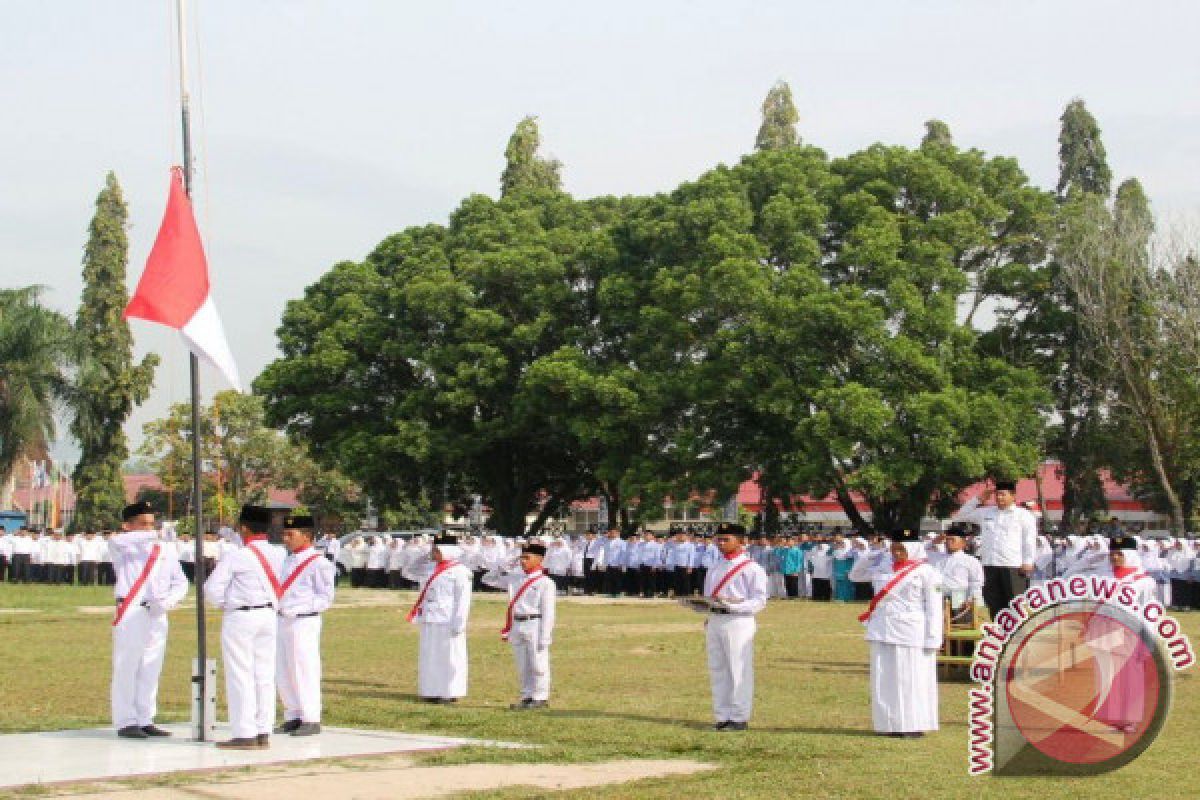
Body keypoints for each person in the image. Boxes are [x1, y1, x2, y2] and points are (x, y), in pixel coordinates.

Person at [205, 505, 286, 750]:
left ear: (243, 528)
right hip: (269, 614)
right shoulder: (279, 553)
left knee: (240, 673)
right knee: (264, 674)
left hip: (242, 616)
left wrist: (227, 604)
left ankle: (244, 732)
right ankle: (263, 729)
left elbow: (212, 589)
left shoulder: (237, 555)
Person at [850, 530, 942, 738]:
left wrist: (933, 638)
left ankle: (912, 724)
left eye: (902, 548)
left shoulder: (927, 572)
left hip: (911, 631)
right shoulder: (884, 567)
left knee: (911, 678)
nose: (897, 553)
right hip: (882, 628)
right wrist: (873, 552)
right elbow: (855, 575)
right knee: (885, 677)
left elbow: (934, 608)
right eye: (894, 548)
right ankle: (888, 723)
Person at [109, 501, 188, 739]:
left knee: (151, 666)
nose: (148, 529)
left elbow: (180, 582)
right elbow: (117, 540)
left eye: (151, 524)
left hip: (156, 611)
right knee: (127, 665)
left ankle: (145, 717)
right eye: (142, 524)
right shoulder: (123, 547)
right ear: (128, 526)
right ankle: (125, 720)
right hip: (132, 609)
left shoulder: (165, 550)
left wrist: (167, 602)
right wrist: (154, 534)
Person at [690, 522, 767, 731]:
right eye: (719, 539)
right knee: (718, 668)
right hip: (716, 619)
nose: (721, 543)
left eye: (726, 539)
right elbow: (709, 595)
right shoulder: (715, 567)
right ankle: (722, 715)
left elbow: (759, 600)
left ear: (741, 541)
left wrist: (735, 604)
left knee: (738, 669)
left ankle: (739, 716)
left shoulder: (752, 568)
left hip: (738, 621)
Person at [273, 514, 335, 736]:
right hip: (282, 619)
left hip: (303, 621)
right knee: (284, 669)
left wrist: (299, 608)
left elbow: (325, 597)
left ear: (307, 536)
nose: (285, 538)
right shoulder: (286, 560)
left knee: (304, 668)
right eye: (284, 533)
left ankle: (311, 717)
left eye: (291, 534)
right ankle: (293, 714)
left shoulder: (319, 563)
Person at [483, 542, 557, 710]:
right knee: (523, 664)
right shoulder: (515, 578)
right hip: (517, 623)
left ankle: (540, 697)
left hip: (535, 623)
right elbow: (487, 579)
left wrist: (545, 636)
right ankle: (526, 696)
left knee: (538, 664)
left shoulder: (545, 583)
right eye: (522, 557)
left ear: (539, 559)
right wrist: (505, 563)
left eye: (527, 557)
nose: (523, 561)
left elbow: (548, 612)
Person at [404, 533, 473, 704]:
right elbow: (409, 571)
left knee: (450, 657)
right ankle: (431, 690)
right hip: (430, 618)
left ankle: (450, 692)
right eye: (433, 549)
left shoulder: (460, 572)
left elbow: (463, 600)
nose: (434, 553)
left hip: (448, 620)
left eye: (437, 550)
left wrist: (459, 623)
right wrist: (426, 554)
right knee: (430, 656)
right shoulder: (430, 568)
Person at [952, 480, 1037, 618]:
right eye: (997, 494)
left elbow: (1029, 540)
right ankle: (999, 635)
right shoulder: (987, 512)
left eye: (1003, 494)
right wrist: (978, 499)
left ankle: (1016, 636)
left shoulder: (1023, 515)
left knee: (1016, 605)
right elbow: (961, 515)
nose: (999, 498)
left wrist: (1028, 561)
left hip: (1013, 566)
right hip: (989, 565)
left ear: (1013, 496)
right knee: (993, 604)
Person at [938, 529, 985, 625]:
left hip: (960, 597)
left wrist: (971, 599)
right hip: (939, 595)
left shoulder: (971, 561)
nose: (948, 542)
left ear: (963, 543)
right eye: (947, 540)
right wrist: (933, 542)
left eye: (952, 540)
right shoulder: (937, 557)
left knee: (960, 629)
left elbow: (976, 583)